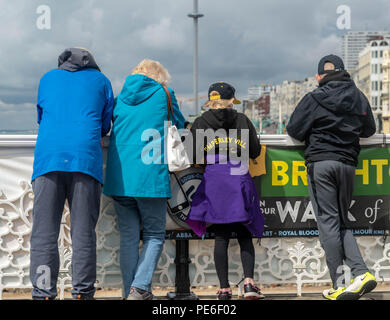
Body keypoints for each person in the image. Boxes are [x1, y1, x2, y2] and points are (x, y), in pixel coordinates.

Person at [286, 54, 377, 300]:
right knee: (341, 221)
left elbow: (293, 129)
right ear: (344, 72)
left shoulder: (314, 97)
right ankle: (360, 274)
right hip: (348, 164)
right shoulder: (358, 96)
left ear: (319, 76)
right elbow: (370, 130)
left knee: (328, 222)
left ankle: (340, 283)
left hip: (321, 163)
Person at [30, 47, 114, 300]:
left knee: (44, 233)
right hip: (85, 160)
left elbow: (41, 116)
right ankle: (82, 293)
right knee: (83, 234)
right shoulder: (101, 81)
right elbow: (106, 123)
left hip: (48, 160)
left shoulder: (47, 78)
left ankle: (43, 293)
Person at [103, 59, 185, 300]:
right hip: (150, 177)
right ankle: (139, 289)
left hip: (120, 177)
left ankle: (129, 289)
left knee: (128, 236)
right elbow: (179, 124)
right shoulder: (165, 93)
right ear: (160, 77)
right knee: (153, 234)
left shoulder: (122, 97)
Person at [185, 82, 265, 300]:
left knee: (221, 236)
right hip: (239, 178)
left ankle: (223, 289)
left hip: (215, 180)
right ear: (232, 100)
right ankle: (249, 283)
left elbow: (191, 155)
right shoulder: (242, 120)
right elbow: (256, 151)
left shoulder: (201, 122)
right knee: (244, 232)